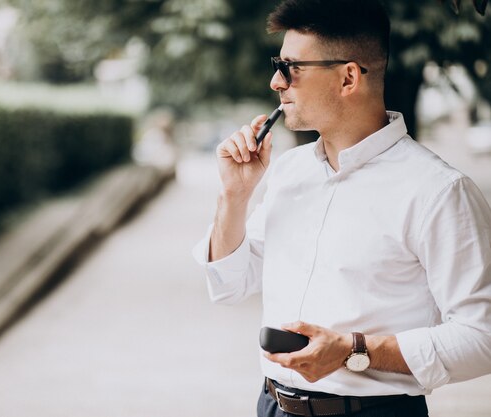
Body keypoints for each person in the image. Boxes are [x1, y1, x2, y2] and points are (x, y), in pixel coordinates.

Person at [192, 0, 491, 416]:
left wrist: (356, 351)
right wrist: (233, 196)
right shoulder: (289, 172)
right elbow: (228, 285)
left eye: (291, 68)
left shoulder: (438, 192)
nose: (276, 82)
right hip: (272, 406)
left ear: (348, 77)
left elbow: (482, 337)